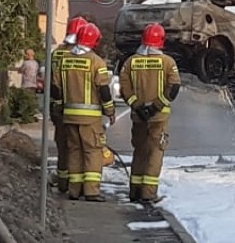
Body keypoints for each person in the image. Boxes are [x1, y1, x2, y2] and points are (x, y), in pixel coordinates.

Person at [119, 23, 181, 203]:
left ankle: (135, 191)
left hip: (138, 117)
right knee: (155, 153)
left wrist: (137, 106)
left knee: (139, 151)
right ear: (161, 40)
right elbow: (174, 87)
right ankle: (148, 194)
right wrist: (155, 107)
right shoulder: (168, 62)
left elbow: (124, 88)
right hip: (159, 117)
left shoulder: (131, 62)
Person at [52, 23, 116, 202]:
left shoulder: (64, 59)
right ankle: (91, 191)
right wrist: (109, 110)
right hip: (91, 118)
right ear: (95, 41)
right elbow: (103, 89)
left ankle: (75, 190)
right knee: (92, 152)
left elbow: (55, 87)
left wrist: (58, 106)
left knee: (74, 151)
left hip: (69, 116)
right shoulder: (96, 61)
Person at [48, 16, 88, 193]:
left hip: (57, 107)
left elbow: (52, 81)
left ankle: (63, 181)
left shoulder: (56, 53)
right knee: (78, 146)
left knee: (62, 144)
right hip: (78, 106)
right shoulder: (86, 55)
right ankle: (77, 183)